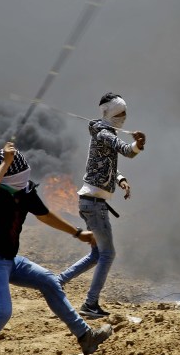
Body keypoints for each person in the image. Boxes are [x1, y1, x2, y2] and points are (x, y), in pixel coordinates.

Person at [0, 142, 112, 355]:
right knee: (1, 311)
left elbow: (44, 215)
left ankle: (85, 337)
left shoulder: (24, 191)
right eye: (17, 174)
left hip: (9, 260)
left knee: (49, 281)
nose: (23, 179)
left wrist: (77, 232)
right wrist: (5, 165)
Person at [58, 92, 146, 319]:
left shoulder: (102, 133)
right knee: (108, 254)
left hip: (91, 202)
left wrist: (120, 180)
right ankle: (90, 304)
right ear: (112, 113)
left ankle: (58, 281)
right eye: (121, 113)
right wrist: (137, 144)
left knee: (97, 254)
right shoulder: (105, 133)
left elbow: (106, 166)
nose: (124, 117)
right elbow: (126, 151)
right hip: (94, 205)